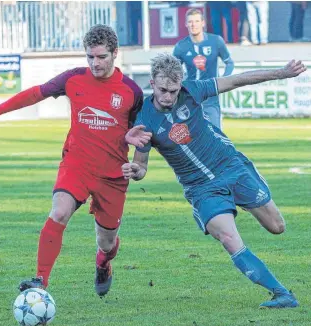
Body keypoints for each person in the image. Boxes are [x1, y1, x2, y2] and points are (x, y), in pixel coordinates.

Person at [0, 24, 151, 297]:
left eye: (101, 57)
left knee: (106, 241)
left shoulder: (131, 91)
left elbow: (143, 134)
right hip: (76, 165)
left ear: (115, 53)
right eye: (90, 56)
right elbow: (35, 93)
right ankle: (41, 280)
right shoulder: (73, 79)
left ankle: (103, 261)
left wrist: (139, 165)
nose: (95, 63)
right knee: (59, 211)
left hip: (113, 176)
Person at [122, 53, 306, 308]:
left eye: (173, 91)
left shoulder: (192, 90)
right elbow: (141, 167)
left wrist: (282, 72)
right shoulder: (144, 119)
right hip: (201, 188)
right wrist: (134, 170)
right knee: (229, 239)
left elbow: (238, 80)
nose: (168, 97)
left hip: (231, 167)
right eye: (163, 90)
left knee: (277, 227)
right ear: (152, 83)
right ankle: (282, 293)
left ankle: (241, 197)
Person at [173, 8, 234, 129]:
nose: (193, 24)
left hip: (210, 95)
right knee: (189, 136)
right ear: (186, 24)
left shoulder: (216, 41)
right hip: (190, 96)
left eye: (196, 21)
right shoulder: (181, 46)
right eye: (190, 22)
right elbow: (173, 70)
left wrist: (222, 80)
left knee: (215, 134)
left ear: (203, 23)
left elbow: (229, 63)